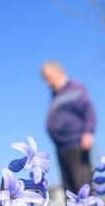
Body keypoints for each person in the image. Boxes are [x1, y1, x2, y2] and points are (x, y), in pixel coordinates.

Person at [41, 61, 96, 193]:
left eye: (48, 78)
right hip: (61, 148)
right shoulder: (55, 96)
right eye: (45, 79)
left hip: (77, 145)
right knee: (69, 189)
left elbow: (89, 111)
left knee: (82, 187)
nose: (47, 83)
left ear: (59, 72)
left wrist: (88, 132)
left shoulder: (75, 88)